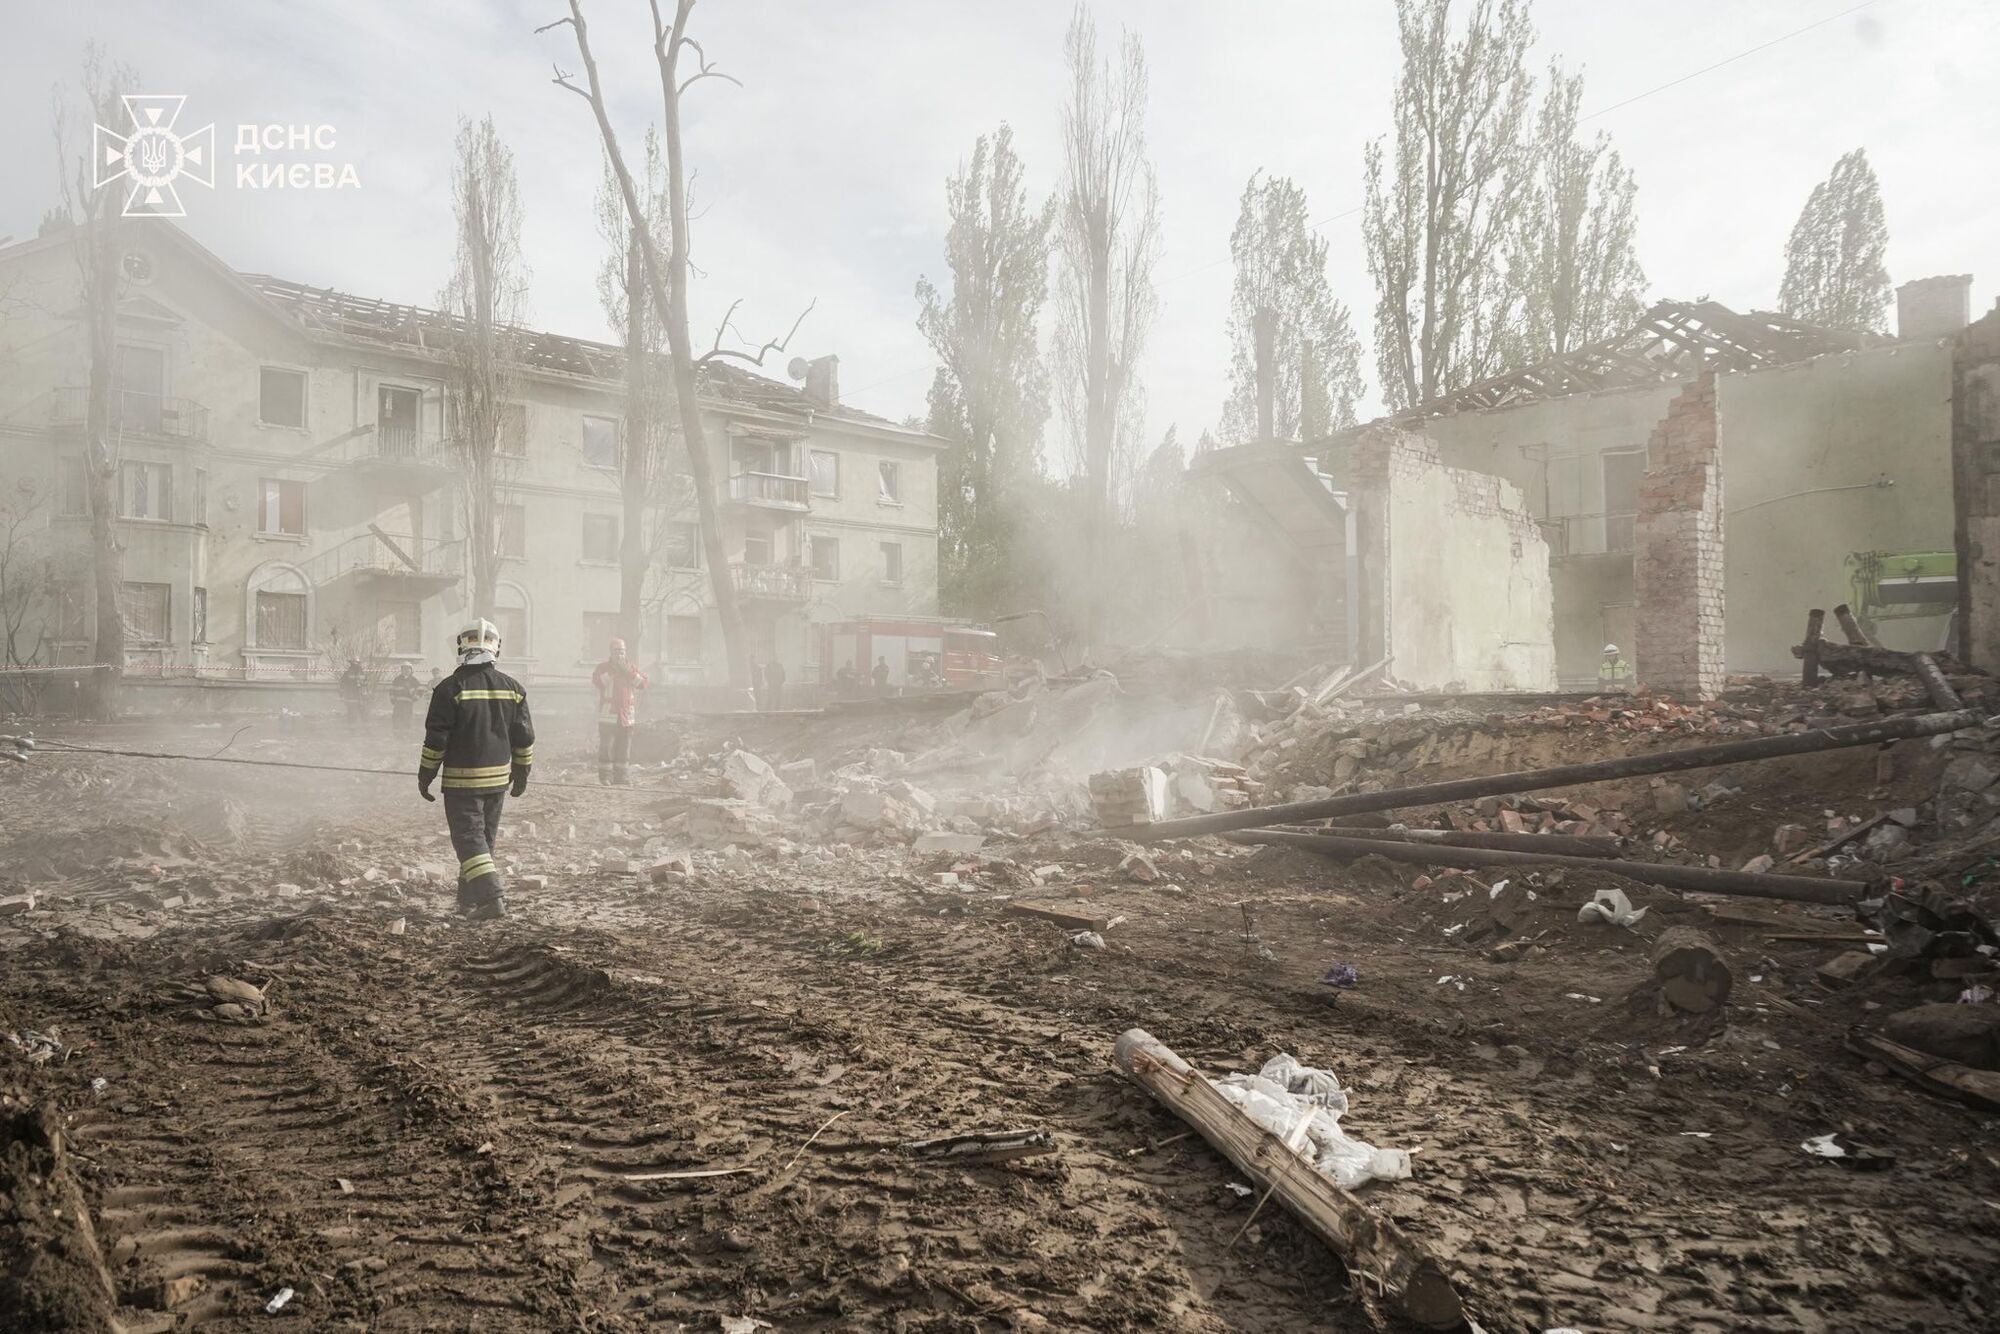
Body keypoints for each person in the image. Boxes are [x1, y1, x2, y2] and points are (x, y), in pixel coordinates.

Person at [418, 619, 533, 922]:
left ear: (461, 647)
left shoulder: (449, 689)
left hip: (461, 783)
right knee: (483, 840)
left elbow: (436, 739)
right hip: (498, 783)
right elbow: (525, 738)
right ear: (496, 647)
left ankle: (492, 900)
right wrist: (522, 775)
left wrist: (425, 774)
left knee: (469, 840)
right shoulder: (514, 688)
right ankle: (467, 899)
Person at [591, 636, 648, 785]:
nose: (620, 655)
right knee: (607, 747)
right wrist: (613, 672)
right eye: (617, 651)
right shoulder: (603, 667)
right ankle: (605, 777)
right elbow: (598, 682)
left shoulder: (630, 667)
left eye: (622, 652)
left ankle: (621, 777)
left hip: (626, 716)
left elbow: (642, 684)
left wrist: (628, 672)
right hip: (608, 715)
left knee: (624, 748)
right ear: (611, 652)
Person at [386, 663, 423, 732]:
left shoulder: (414, 680)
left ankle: (406, 733)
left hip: (408, 703)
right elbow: (392, 690)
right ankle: (396, 732)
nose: (406, 670)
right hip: (398, 702)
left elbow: (420, 691)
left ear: (411, 670)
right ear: (401, 670)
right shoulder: (397, 679)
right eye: (404, 668)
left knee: (407, 717)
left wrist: (415, 698)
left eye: (408, 669)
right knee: (396, 716)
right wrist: (392, 699)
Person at [340, 659, 368, 724]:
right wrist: (365, 696)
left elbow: (342, 684)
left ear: (351, 664)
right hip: (360, 698)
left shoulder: (347, 673)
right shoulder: (363, 673)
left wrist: (342, 694)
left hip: (351, 697)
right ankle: (364, 728)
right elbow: (366, 685)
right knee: (362, 714)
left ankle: (353, 728)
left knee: (352, 713)